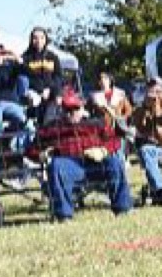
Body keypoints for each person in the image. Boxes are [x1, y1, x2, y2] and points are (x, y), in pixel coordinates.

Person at [30, 89, 132, 221]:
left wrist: (103, 151)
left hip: (95, 164)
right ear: (62, 111)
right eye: (68, 110)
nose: (71, 114)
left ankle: (122, 209)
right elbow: (31, 149)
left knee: (115, 162)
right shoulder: (53, 128)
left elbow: (116, 140)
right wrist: (41, 155)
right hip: (70, 166)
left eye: (75, 109)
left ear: (82, 109)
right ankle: (64, 214)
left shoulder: (96, 124)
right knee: (55, 166)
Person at [20, 27, 63, 109]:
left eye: (41, 38)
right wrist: (40, 90)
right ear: (31, 40)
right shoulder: (25, 58)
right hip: (33, 93)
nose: (38, 41)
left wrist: (52, 89)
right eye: (35, 38)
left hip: (51, 92)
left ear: (45, 39)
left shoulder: (53, 57)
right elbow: (24, 78)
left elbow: (58, 77)